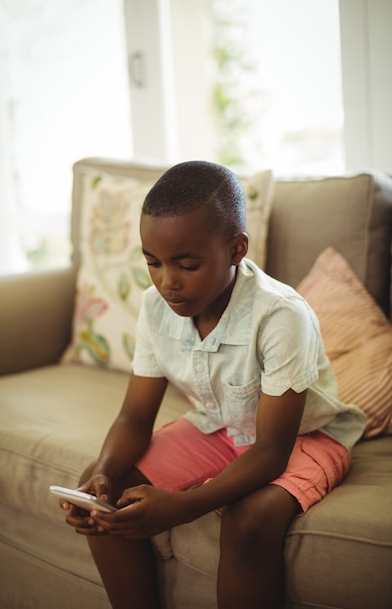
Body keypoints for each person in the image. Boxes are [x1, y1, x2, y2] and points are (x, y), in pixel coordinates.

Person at [64, 161, 366, 609]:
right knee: (102, 490)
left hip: (304, 437)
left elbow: (270, 451)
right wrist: (105, 472)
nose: (168, 281)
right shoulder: (155, 306)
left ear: (236, 248)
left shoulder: (281, 315)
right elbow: (134, 416)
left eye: (187, 264)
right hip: (220, 423)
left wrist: (183, 505)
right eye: (153, 262)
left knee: (249, 521)